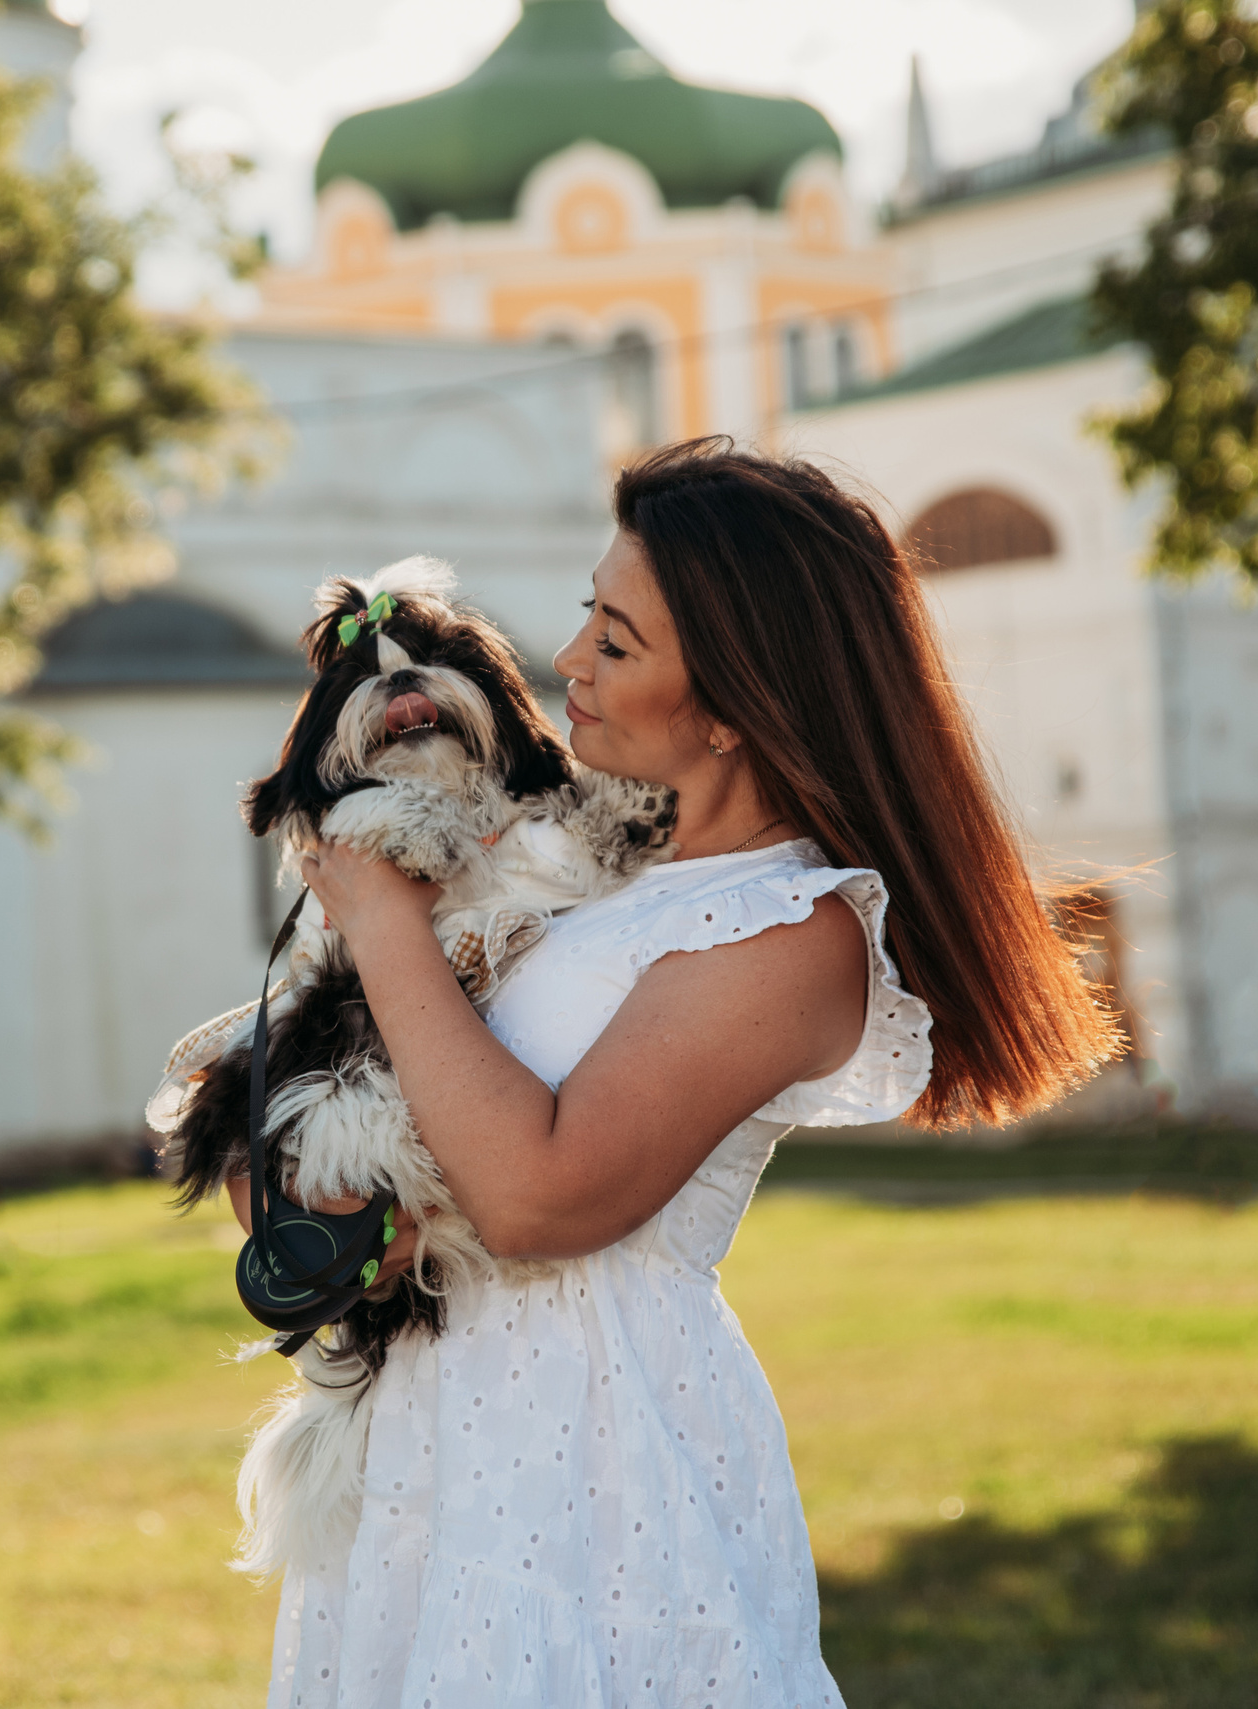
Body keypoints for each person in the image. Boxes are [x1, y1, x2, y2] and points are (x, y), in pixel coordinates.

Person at [230, 438, 1120, 1707]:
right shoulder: (595, 871)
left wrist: (376, 920)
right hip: (433, 1429)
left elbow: (538, 1199)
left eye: (618, 636)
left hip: (583, 1455)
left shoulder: (786, 928)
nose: (569, 657)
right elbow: (420, 1113)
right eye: (591, 611)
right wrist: (326, 1208)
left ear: (730, 704)